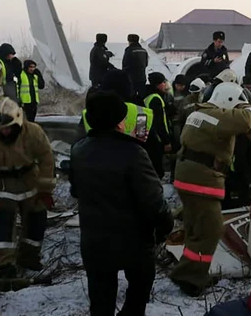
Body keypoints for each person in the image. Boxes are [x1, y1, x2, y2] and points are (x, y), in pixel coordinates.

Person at [70, 91, 174, 316]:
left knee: (100, 299)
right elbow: (153, 201)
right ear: (120, 119)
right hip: (133, 240)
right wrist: (165, 225)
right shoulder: (133, 152)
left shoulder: (79, 151)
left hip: (94, 239)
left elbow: (76, 191)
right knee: (139, 290)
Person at [169, 82, 251, 297]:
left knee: (195, 227)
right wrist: (248, 107)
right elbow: (246, 121)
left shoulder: (199, 113)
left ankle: (187, 270)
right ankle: (191, 278)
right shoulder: (216, 116)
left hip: (187, 175)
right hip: (201, 178)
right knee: (211, 229)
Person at [0, 98, 55, 273]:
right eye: (0, 129)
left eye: (8, 128)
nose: (4, 132)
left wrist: (45, 190)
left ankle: (29, 257)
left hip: (30, 181)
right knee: (2, 224)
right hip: (2, 186)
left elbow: (47, 160)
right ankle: (2, 264)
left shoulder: (33, 132)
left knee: (37, 220)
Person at [144, 72, 172, 178]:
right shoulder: (156, 99)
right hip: (156, 139)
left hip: (150, 137)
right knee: (157, 169)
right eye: (163, 82)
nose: (165, 84)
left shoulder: (148, 96)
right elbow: (159, 122)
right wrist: (166, 140)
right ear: (157, 85)